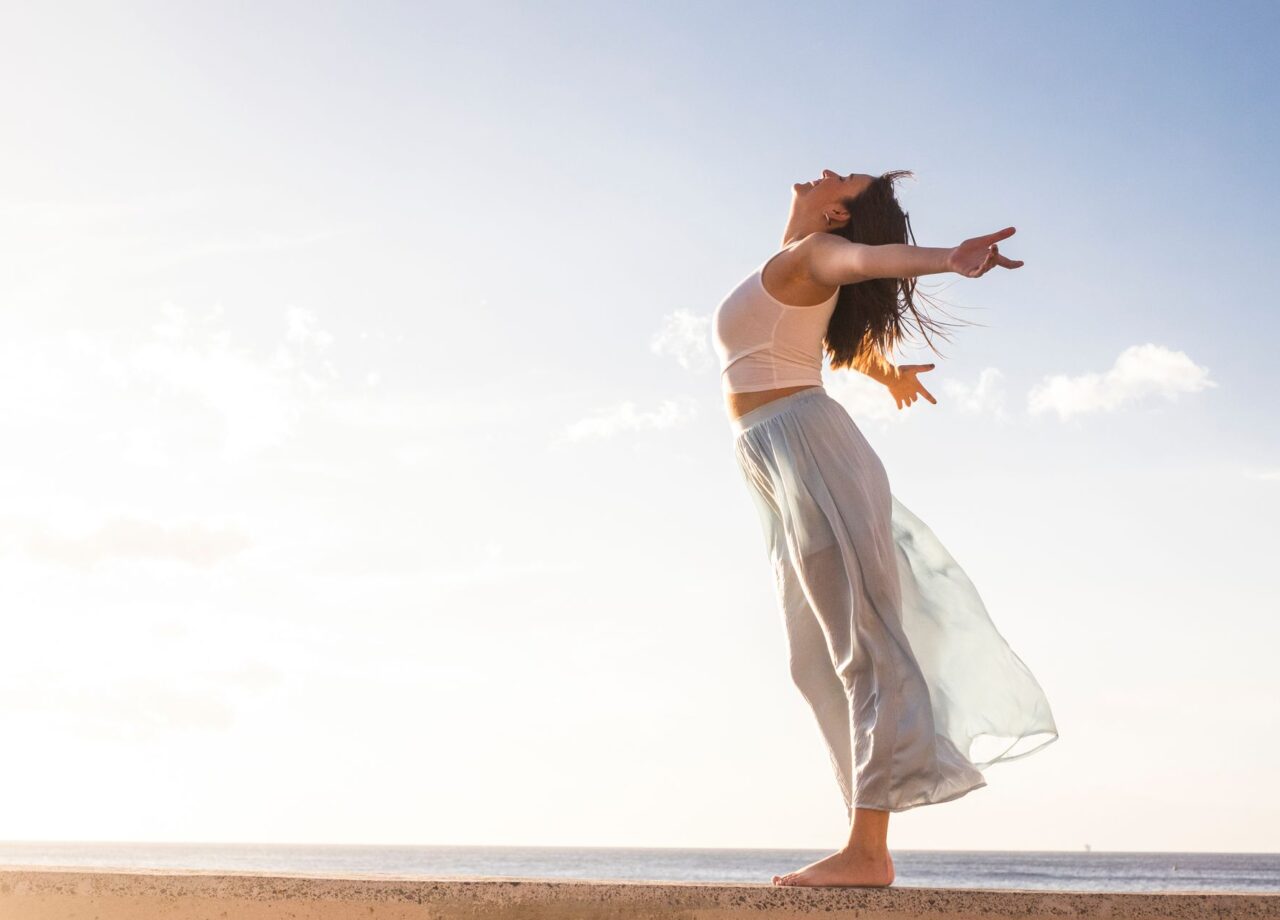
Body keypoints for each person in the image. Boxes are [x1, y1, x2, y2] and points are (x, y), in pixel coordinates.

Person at [711, 169, 1058, 888]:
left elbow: (871, 260)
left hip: (806, 444)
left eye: (846, 179)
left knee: (866, 639)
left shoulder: (818, 254)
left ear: (837, 211)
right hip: (773, 456)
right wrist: (886, 373)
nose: (829, 171)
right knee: (812, 659)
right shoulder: (795, 265)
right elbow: (815, 334)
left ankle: (869, 852)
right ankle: (858, 837)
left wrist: (950, 259)